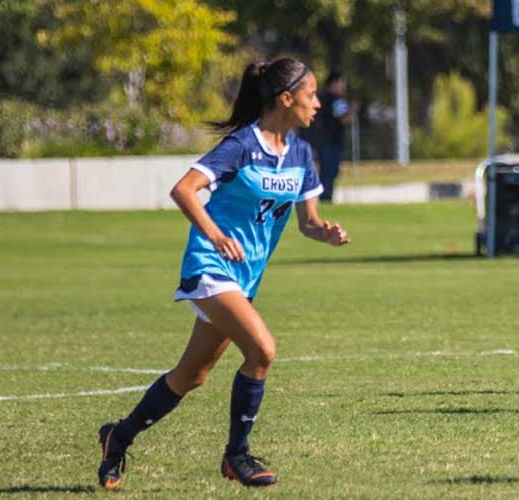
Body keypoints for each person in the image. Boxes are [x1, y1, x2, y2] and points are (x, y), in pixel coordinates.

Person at [95, 58, 350, 490]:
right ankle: (237, 456)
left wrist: (324, 232)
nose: (319, 103)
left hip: (243, 280)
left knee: (190, 376)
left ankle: (117, 437)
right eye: (311, 94)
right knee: (263, 351)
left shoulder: (303, 154)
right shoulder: (241, 146)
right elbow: (184, 190)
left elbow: (308, 221)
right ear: (286, 99)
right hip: (211, 269)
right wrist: (214, 235)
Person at [299, 73, 354, 202]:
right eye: (341, 82)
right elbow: (344, 119)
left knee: (322, 170)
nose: (343, 86)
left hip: (318, 140)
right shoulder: (337, 100)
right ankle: (326, 198)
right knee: (329, 171)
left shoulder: (318, 98)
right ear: (333, 83)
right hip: (332, 141)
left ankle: (322, 197)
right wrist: (353, 111)